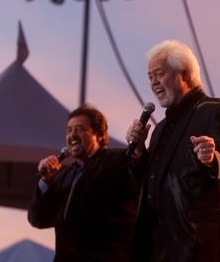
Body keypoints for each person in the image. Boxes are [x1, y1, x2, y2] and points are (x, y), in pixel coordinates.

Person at [126, 39, 220, 262]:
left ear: (183, 74)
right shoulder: (160, 128)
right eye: (150, 77)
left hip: (198, 246)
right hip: (157, 247)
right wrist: (138, 150)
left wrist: (213, 158)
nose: (154, 83)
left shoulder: (217, 110)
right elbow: (147, 182)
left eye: (159, 74)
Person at [28, 104, 143, 262]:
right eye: (68, 131)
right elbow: (37, 219)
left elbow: (139, 175)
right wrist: (44, 182)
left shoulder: (118, 161)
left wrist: (138, 151)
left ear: (99, 135)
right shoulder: (63, 177)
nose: (72, 135)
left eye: (79, 129)